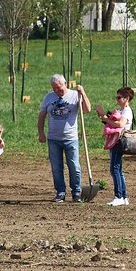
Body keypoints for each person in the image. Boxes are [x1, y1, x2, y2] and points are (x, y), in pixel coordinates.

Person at [37, 74, 92, 203]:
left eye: (59, 88)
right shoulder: (48, 97)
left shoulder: (74, 95)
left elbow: (87, 109)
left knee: (74, 166)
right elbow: (41, 116)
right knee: (56, 167)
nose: (57, 91)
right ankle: (60, 192)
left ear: (65, 83)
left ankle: (76, 192)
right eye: (54, 88)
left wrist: (82, 93)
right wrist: (41, 132)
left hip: (71, 138)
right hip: (53, 138)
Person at [98, 86, 135, 207]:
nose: (117, 99)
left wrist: (107, 120)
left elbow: (120, 124)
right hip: (117, 141)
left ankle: (118, 196)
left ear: (127, 98)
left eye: (119, 97)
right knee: (118, 170)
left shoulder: (126, 111)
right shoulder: (121, 110)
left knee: (115, 169)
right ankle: (123, 197)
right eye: (117, 97)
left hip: (119, 141)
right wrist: (105, 117)